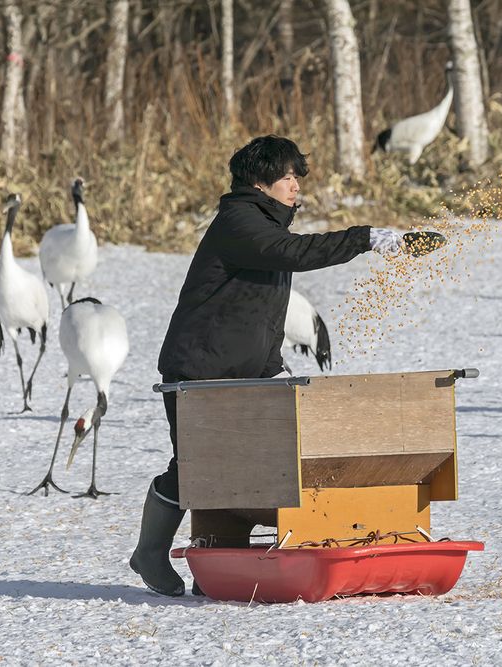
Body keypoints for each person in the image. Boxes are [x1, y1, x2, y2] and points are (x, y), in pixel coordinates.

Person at [129, 135, 415, 596]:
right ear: (258, 182)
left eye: (297, 176)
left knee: (263, 462)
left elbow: (256, 313)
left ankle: (231, 562)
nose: (295, 185)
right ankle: (149, 552)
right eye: (286, 176)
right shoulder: (240, 223)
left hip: (248, 370)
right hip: (200, 374)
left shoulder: (265, 223)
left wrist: (272, 369)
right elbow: (294, 254)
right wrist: (365, 238)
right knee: (196, 469)